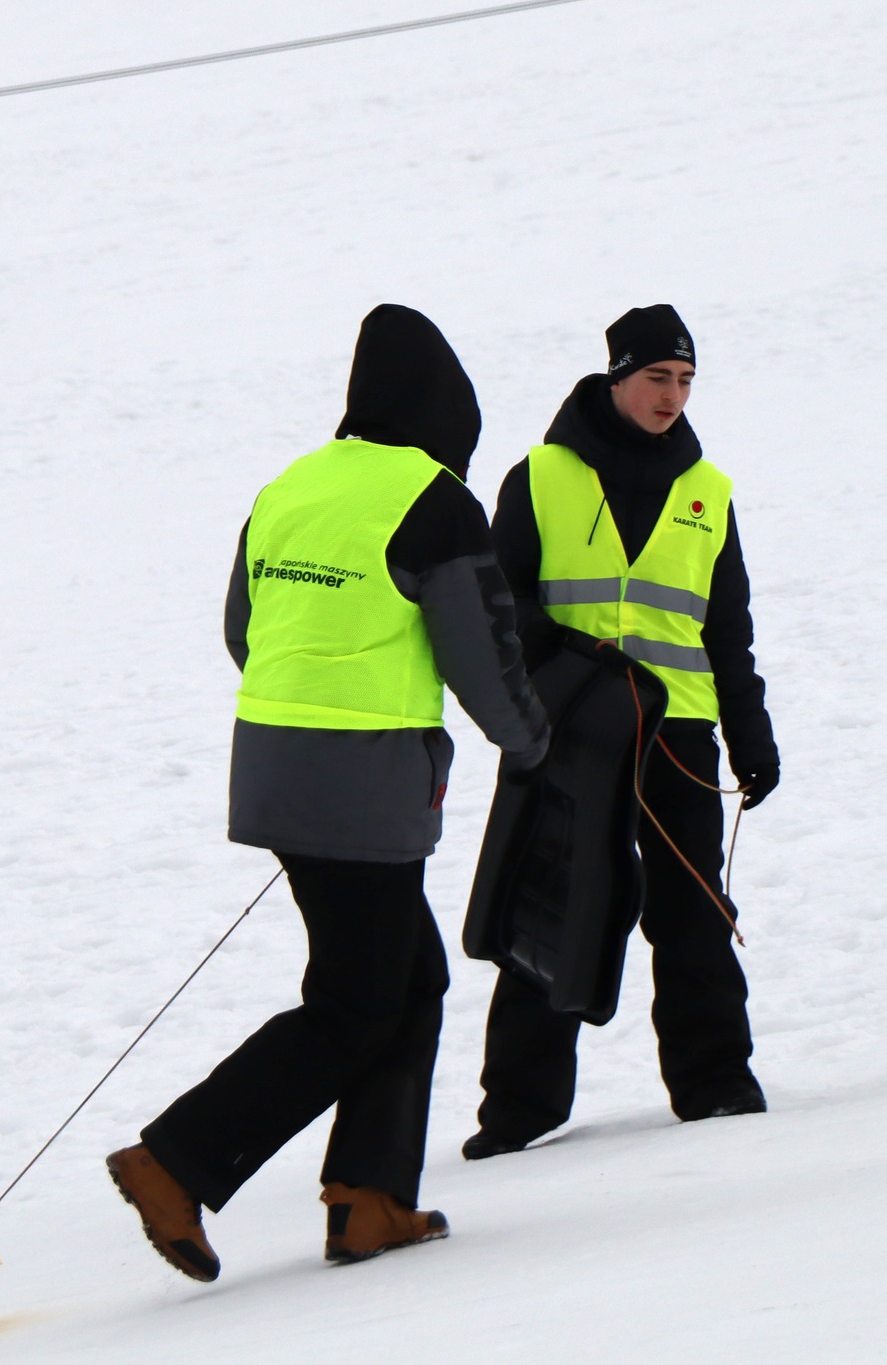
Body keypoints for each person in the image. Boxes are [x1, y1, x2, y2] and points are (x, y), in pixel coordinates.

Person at [106, 305, 550, 1281]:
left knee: (406, 980)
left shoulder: (289, 487)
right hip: (366, 781)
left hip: (274, 767)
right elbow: (482, 655)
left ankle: (370, 1199)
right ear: (447, 417)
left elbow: (243, 628)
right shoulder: (432, 502)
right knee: (356, 1002)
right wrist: (530, 743)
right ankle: (174, 1162)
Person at [464, 305, 779, 1160]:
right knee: (550, 912)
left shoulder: (708, 492)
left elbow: (727, 628)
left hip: (679, 733)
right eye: (656, 378)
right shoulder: (539, 475)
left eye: (684, 381)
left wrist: (751, 736)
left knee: (694, 910)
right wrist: (569, 663)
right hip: (574, 733)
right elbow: (500, 607)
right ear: (617, 377)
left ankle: (716, 1084)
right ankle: (519, 1110)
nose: (672, 396)